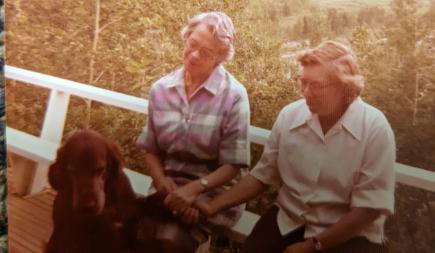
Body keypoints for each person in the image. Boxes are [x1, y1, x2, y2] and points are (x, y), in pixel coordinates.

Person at [196, 40, 396, 253]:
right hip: (288, 220)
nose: (306, 92)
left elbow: (369, 209)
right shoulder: (290, 115)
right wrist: (211, 206)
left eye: (316, 85)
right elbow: (261, 177)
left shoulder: (374, 127)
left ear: (344, 86)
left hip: (349, 235)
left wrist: (312, 246)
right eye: (303, 82)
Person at [136, 11, 250, 251]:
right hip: (167, 191)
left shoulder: (234, 96)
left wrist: (194, 192)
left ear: (220, 58)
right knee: (126, 233)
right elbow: (150, 148)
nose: (195, 54)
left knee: (169, 242)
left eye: (206, 52)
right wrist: (161, 182)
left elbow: (233, 165)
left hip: (210, 197)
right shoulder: (161, 89)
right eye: (193, 44)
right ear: (186, 38)